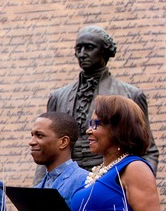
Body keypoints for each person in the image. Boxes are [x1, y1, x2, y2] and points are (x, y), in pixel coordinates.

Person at [39, 25, 158, 178]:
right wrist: (41, 187)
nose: (82, 54)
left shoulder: (131, 95)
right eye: (78, 49)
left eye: (89, 48)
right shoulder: (58, 96)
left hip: (111, 177)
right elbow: (46, 147)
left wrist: (136, 182)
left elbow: (148, 150)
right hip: (67, 180)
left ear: (104, 51)